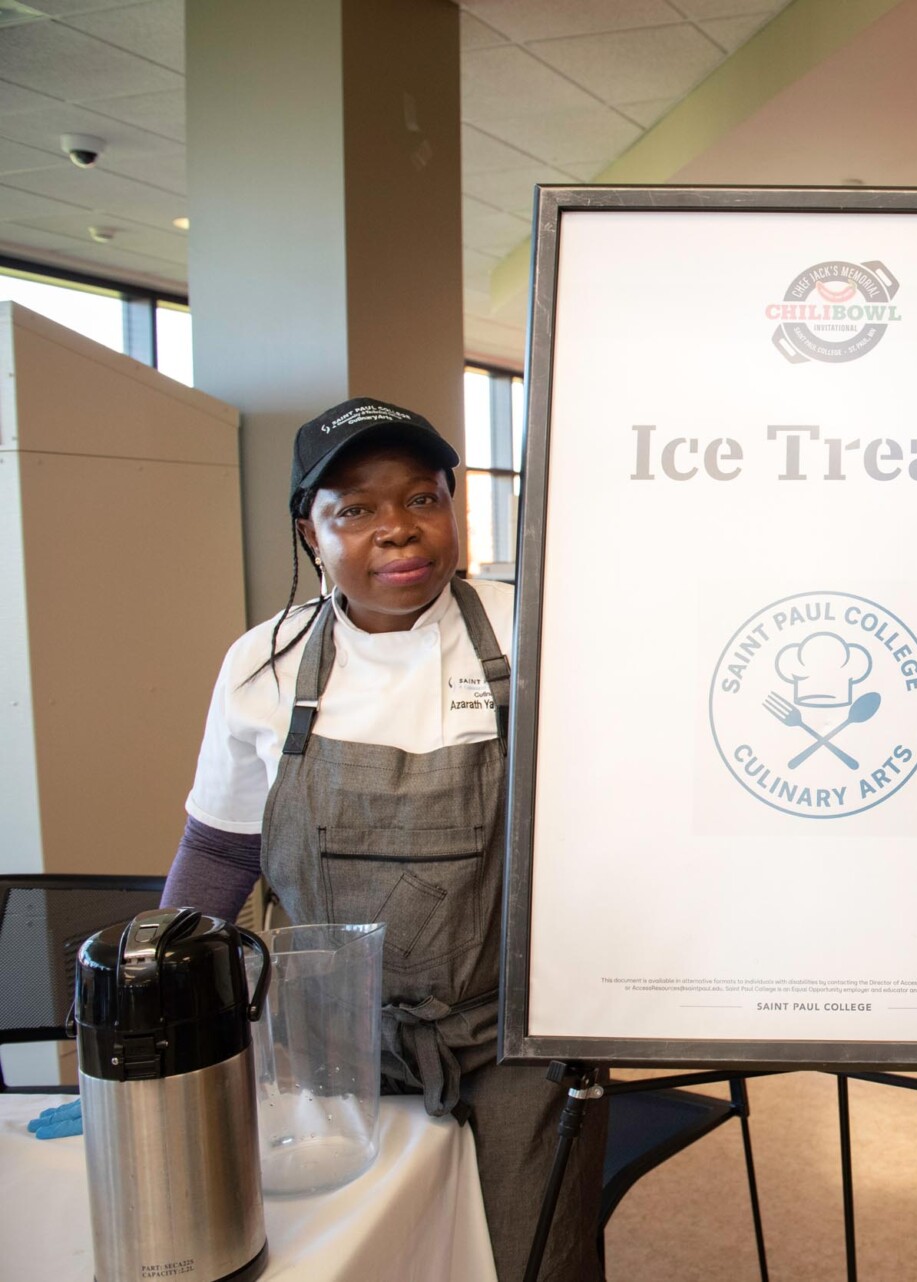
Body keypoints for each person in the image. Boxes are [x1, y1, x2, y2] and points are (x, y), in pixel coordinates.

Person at [159, 397, 605, 1282]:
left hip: (518, 1033)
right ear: (309, 532)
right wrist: (157, 992)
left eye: (423, 499)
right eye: (355, 510)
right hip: (330, 1046)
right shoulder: (263, 665)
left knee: (533, 1260)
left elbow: (610, 825)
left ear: (454, 506)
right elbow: (220, 851)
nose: (398, 531)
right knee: (358, 1255)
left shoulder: (538, 630)